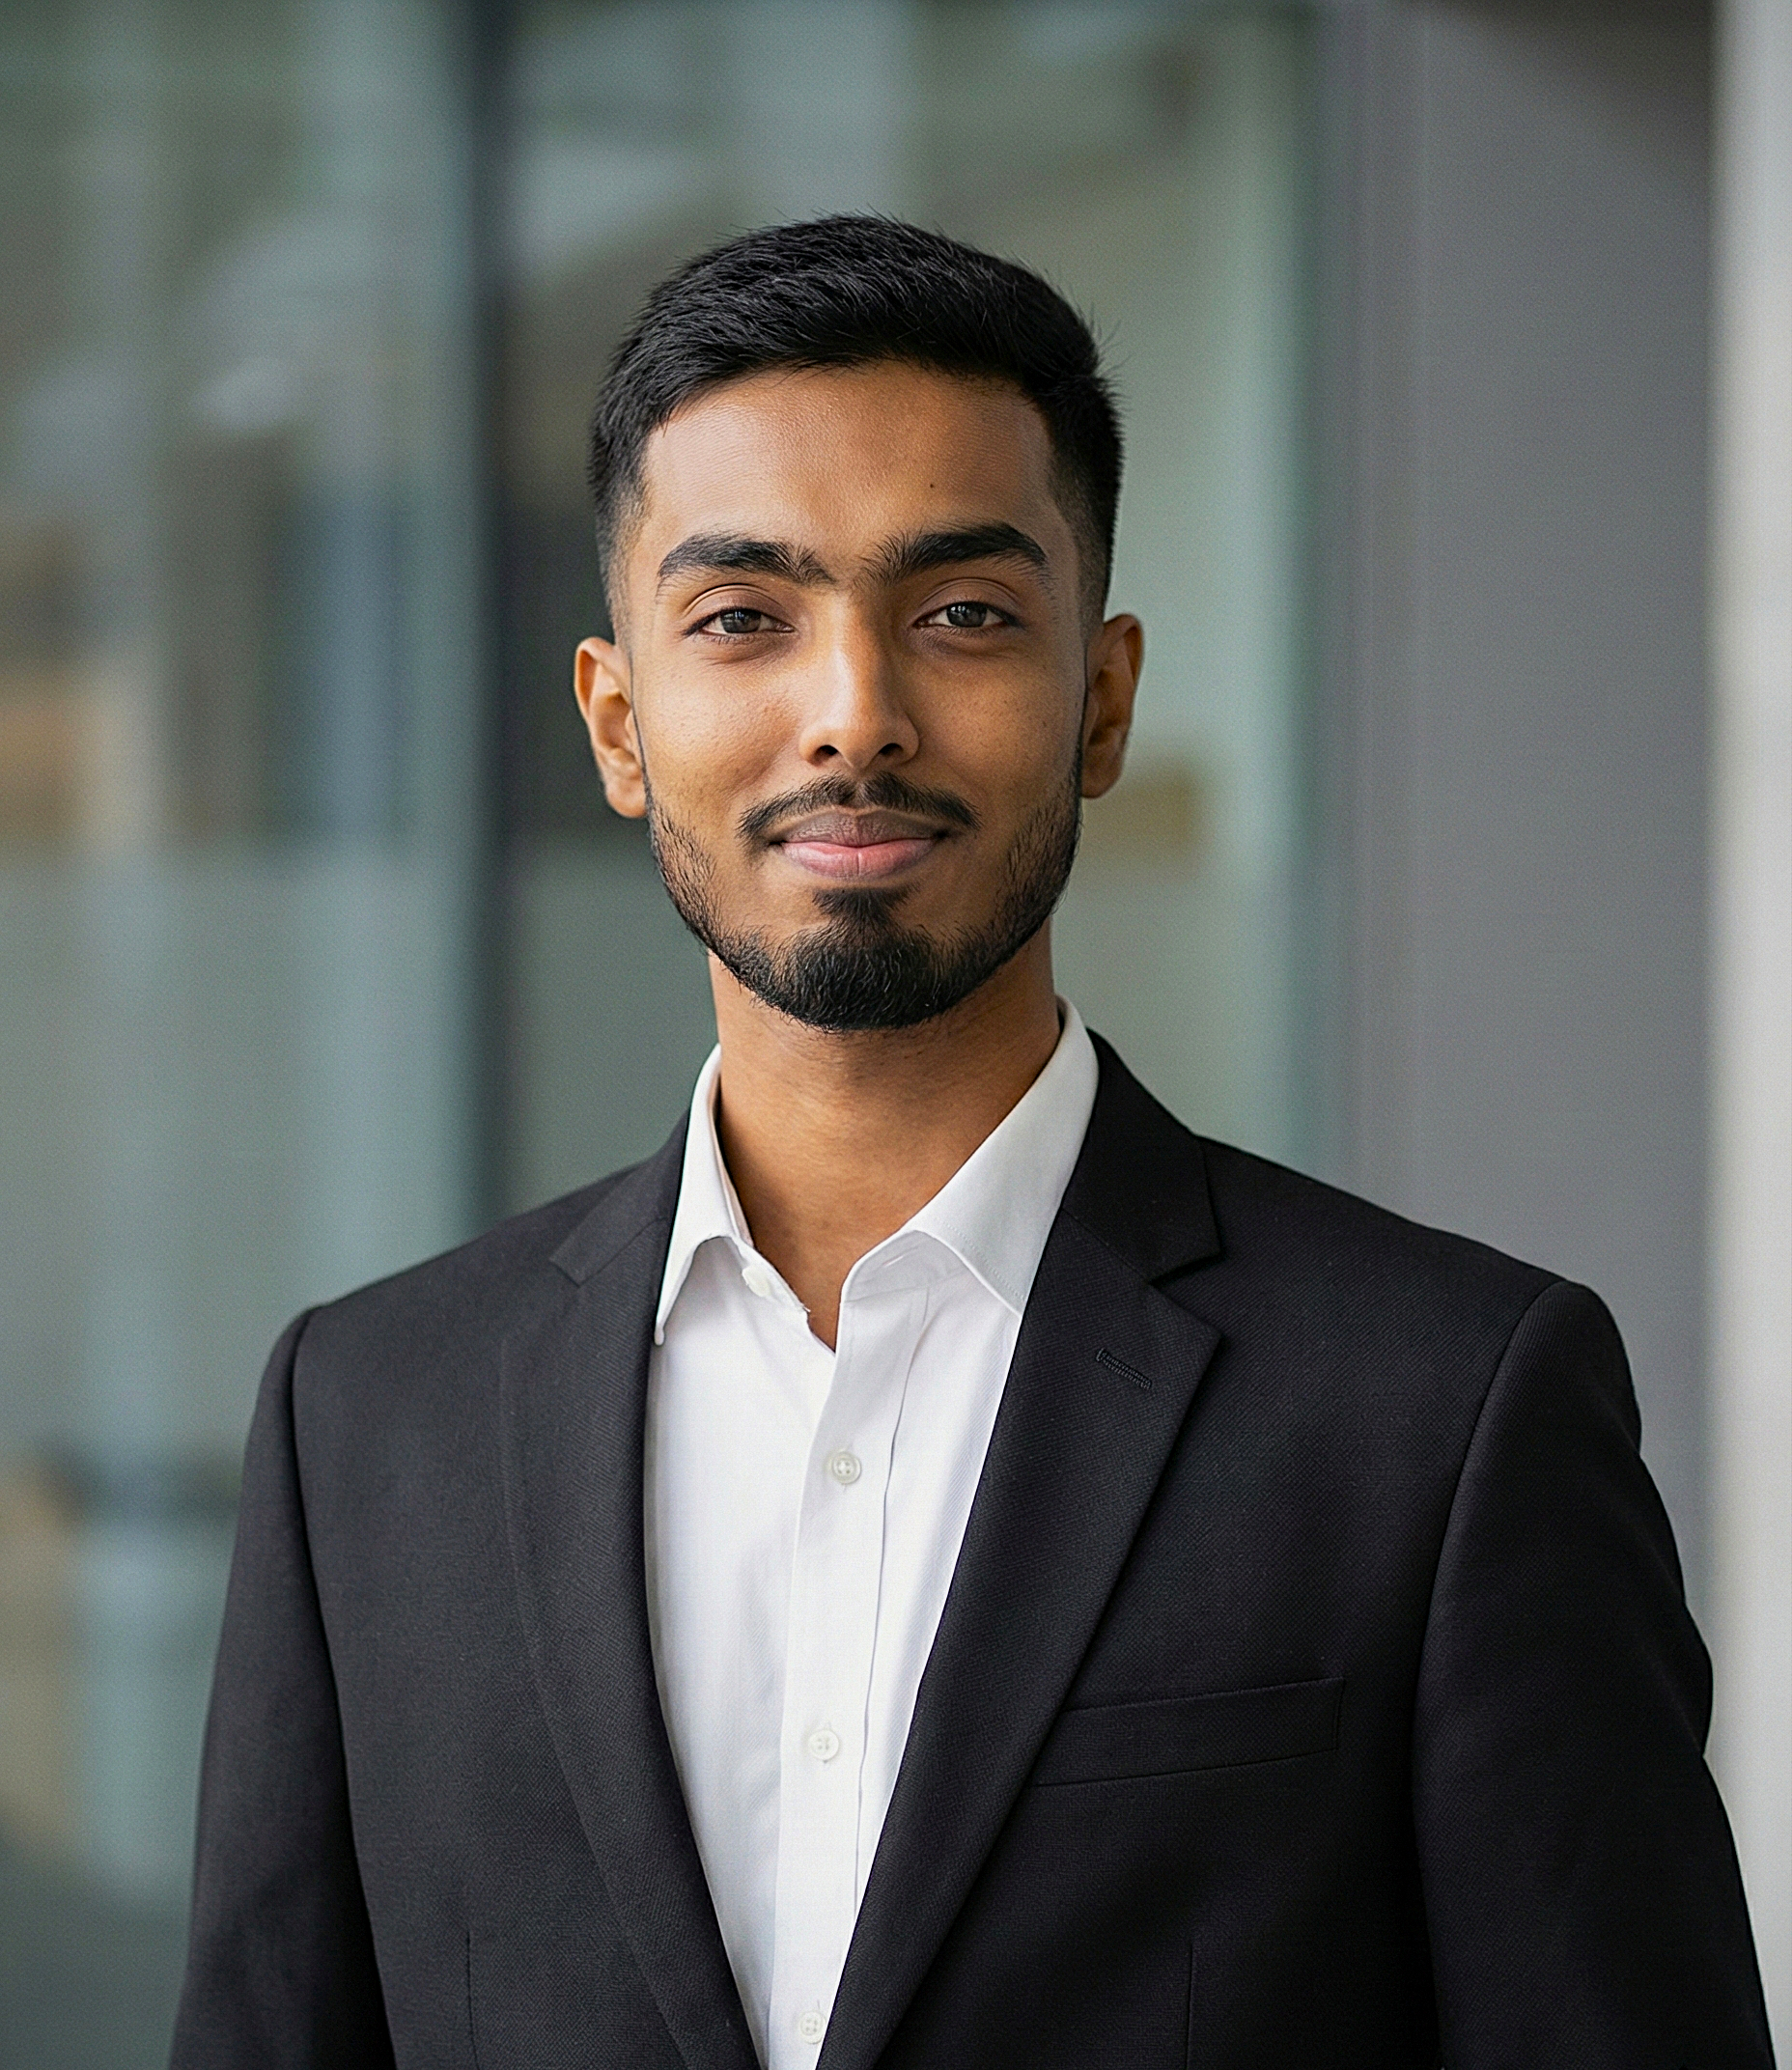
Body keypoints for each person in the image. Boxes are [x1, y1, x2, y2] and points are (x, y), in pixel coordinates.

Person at [170, 216, 1771, 2070]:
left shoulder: (1446, 1413)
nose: (855, 712)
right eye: (743, 617)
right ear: (620, 721)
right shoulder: (367, 1419)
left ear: (1102, 698)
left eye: (963, 613)